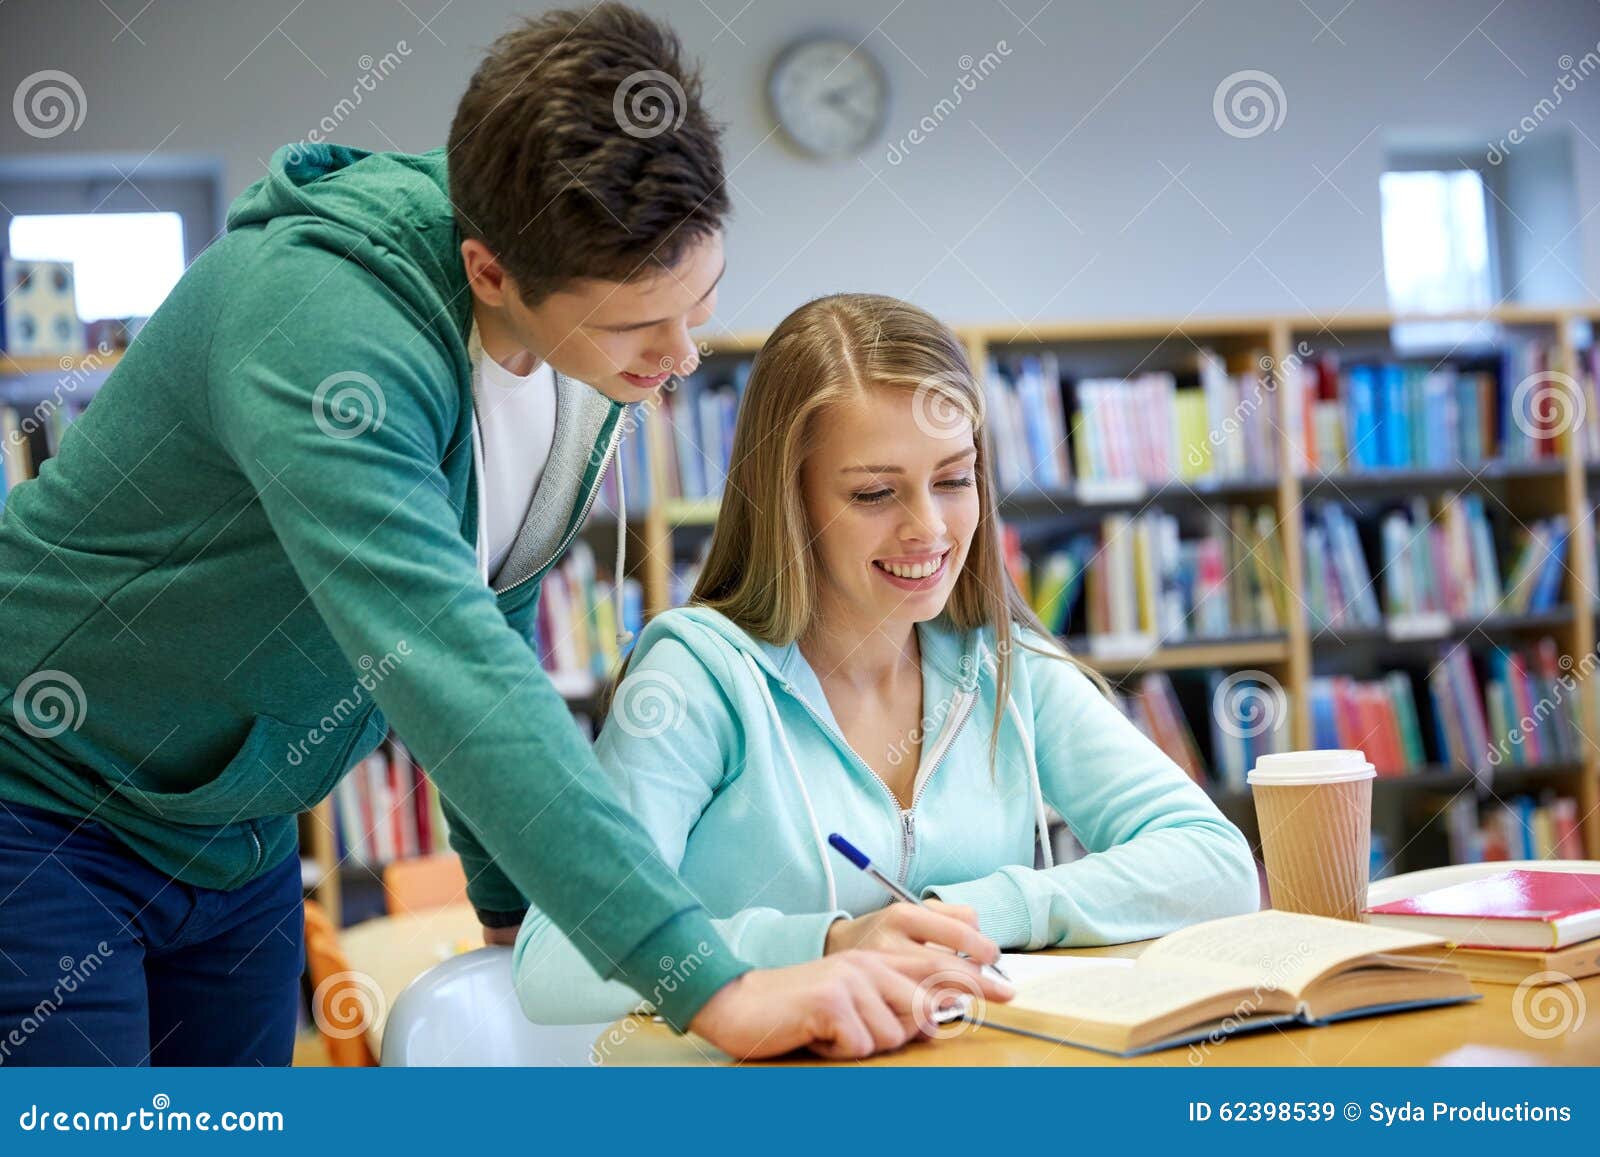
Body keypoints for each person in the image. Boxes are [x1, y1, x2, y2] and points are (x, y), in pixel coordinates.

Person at [0, 7, 1006, 1067]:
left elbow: (500, 590)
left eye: (699, 303)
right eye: (634, 327)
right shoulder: (318, 330)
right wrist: (714, 982)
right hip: (43, 805)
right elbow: (445, 660)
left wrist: (509, 913)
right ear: (490, 272)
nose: (679, 359)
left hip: (235, 835)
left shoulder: (576, 336)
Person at [512, 293, 1262, 1024]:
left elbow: (1215, 863)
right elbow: (555, 961)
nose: (930, 529)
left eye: (952, 479)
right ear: (790, 500)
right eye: (875, 493)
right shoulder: (697, 678)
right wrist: (829, 946)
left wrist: (970, 915)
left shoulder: (1004, 664)